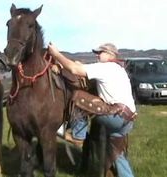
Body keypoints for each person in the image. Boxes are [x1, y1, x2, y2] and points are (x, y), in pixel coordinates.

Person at [48, 42, 136, 177]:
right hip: (128, 120)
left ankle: (78, 135)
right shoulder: (119, 69)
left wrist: (56, 54)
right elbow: (79, 68)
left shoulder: (105, 67)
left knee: (79, 96)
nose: (97, 56)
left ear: (110, 54)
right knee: (117, 154)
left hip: (115, 117)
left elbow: (74, 70)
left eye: (100, 53)